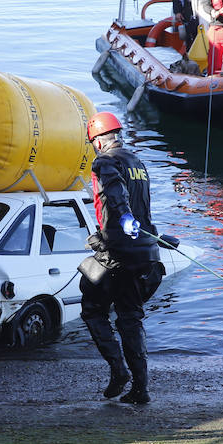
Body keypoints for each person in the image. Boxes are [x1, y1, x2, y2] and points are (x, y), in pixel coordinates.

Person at [80, 112, 164, 405]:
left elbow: (115, 191)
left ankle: (119, 371)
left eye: (92, 142)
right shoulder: (137, 162)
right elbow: (144, 207)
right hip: (145, 252)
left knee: (92, 308)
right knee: (130, 317)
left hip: (118, 253)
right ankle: (140, 389)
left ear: (98, 141)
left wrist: (124, 215)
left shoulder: (104, 162)